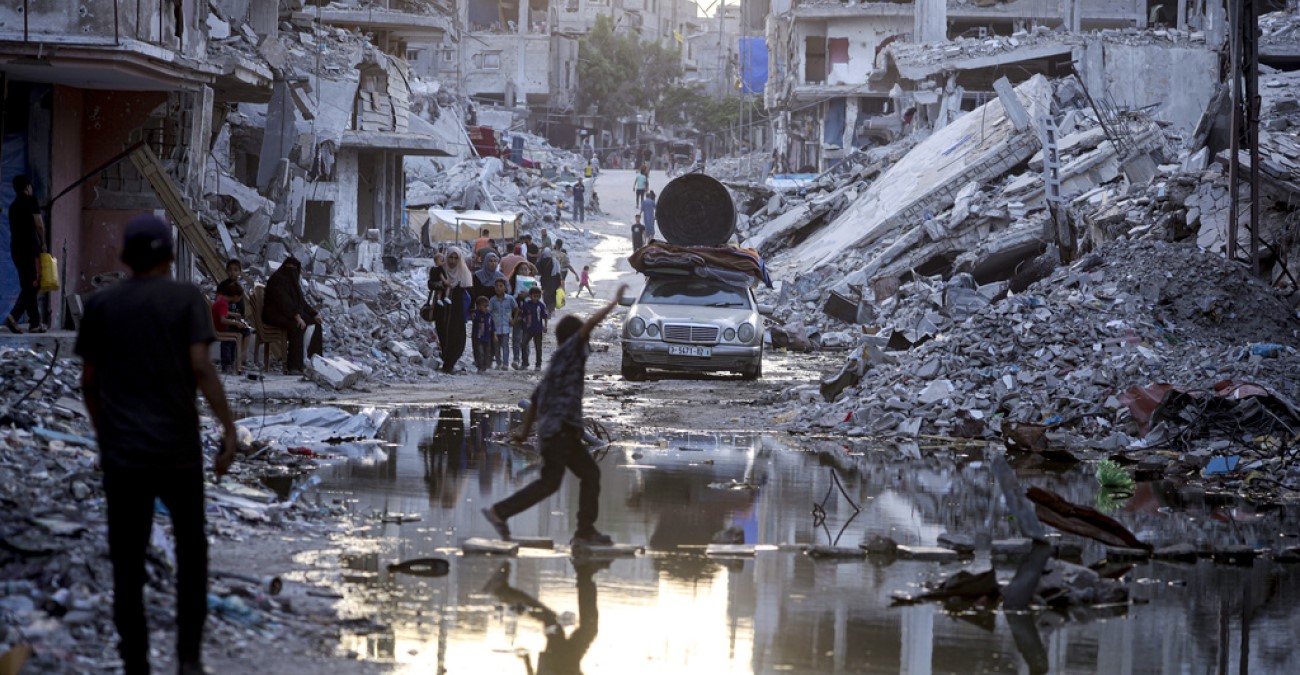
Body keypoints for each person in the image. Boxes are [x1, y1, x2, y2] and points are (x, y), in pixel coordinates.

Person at [76, 214, 239, 675]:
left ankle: (136, 663)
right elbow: (202, 369)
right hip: (177, 452)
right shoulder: (186, 298)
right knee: (191, 554)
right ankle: (188, 660)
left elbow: (90, 381)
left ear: (125, 258)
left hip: (123, 455)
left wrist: (104, 432)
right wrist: (228, 430)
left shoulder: (102, 305)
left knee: (126, 562)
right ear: (170, 256)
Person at [482, 285, 628, 545]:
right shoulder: (572, 353)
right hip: (562, 431)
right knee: (587, 475)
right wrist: (613, 303)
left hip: (553, 432)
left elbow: (536, 400)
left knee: (556, 481)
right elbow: (589, 326)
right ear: (575, 339)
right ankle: (583, 532)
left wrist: (524, 434)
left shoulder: (556, 362)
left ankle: (501, 512)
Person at [262, 256, 323, 374]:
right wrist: (297, 317)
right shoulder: (277, 280)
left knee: (316, 323)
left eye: (295, 268)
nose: (293, 271)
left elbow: (301, 302)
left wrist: (314, 314)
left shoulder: (293, 283)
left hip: (288, 313)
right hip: (274, 314)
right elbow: (283, 301)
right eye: (290, 267)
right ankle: (294, 366)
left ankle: (314, 361)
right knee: (297, 325)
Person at [5, 175, 47, 333]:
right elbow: (39, 225)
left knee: (27, 285)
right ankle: (13, 316)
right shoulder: (31, 201)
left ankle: (35, 323)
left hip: (16, 249)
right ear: (27, 187)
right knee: (33, 284)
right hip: (30, 249)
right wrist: (43, 242)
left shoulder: (13, 206)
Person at [433, 248, 473, 373]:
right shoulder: (440, 270)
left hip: (457, 310)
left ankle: (450, 362)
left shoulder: (463, 273)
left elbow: (470, 292)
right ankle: (447, 363)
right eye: (450, 257)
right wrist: (440, 285)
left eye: (456, 258)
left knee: (458, 336)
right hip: (441, 309)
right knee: (443, 334)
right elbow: (431, 283)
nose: (453, 261)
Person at [212, 280, 253, 375]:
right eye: (240, 297)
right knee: (237, 335)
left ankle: (234, 362)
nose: (240, 300)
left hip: (219, 326)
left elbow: (223, 312)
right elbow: (223, 319)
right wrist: (235, 323)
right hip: (221, 328)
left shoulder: (222, 300)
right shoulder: (224, 303)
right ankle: (230, 364)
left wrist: (234, 315)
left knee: (244, 331)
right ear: (235, 296)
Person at [488, 278, 518, 370]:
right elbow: (489, 312)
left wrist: (514, 320)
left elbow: (516, 309)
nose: (498, 288)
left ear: (505, 288)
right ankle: (498, 363)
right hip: (496, 327)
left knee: (505, 346)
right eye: (496, 286)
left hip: (506, 327)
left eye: (501, 286)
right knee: (496, 347)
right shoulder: (492, 300)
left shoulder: (510, 299)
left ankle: (505, 363)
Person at [518, 285, 548, 369]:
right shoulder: (526, 305)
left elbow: (545, 316)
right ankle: (525, 363)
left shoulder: (541, 305)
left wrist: (545, 326)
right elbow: (522, 315)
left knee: (538, 347)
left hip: (538, 329)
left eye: (538, 296)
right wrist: (515, 321)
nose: (536, 298)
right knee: (523, 344)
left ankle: (538, 364)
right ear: (530, 296)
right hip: (528, 329)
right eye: (534, 296)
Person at [470, 296, 494, 373]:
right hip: (478, 337)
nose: (486, 308)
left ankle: (485, 366)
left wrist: (494, 334)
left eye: (487, 306)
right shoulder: (476, 315)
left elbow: (492, 325)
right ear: (479, 307)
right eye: (484, 306)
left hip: (487, 337)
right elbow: (473, 317)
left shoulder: (489, 315)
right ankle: (480, 367)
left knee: (487, 352)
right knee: (479, 352)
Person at [538, 248, 563, 313]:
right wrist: (559, 283)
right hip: (553, 281)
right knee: (553, 294)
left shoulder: (541, 261)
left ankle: (547, 307)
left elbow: (538, 271)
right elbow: (558, 272)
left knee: (545, 294)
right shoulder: (554, 261)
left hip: (544, 281)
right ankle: (551, 308)